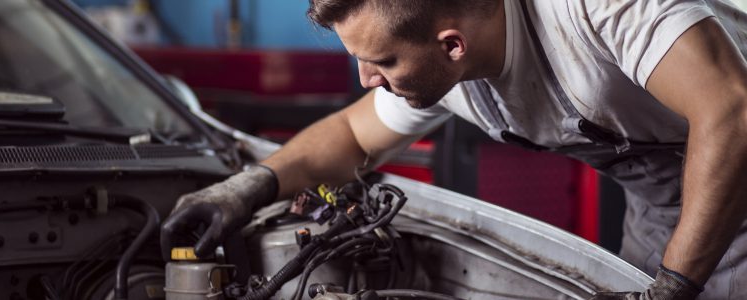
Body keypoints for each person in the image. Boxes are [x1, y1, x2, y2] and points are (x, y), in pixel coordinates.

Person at [161, 0, 747, 298]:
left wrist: (674, 286)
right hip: (665, 205)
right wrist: (245, 188)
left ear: (452, 44)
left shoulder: (597, 10)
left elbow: (730, 110)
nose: (367, 78)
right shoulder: (448, 73)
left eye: (381, 62)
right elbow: (348, 136)